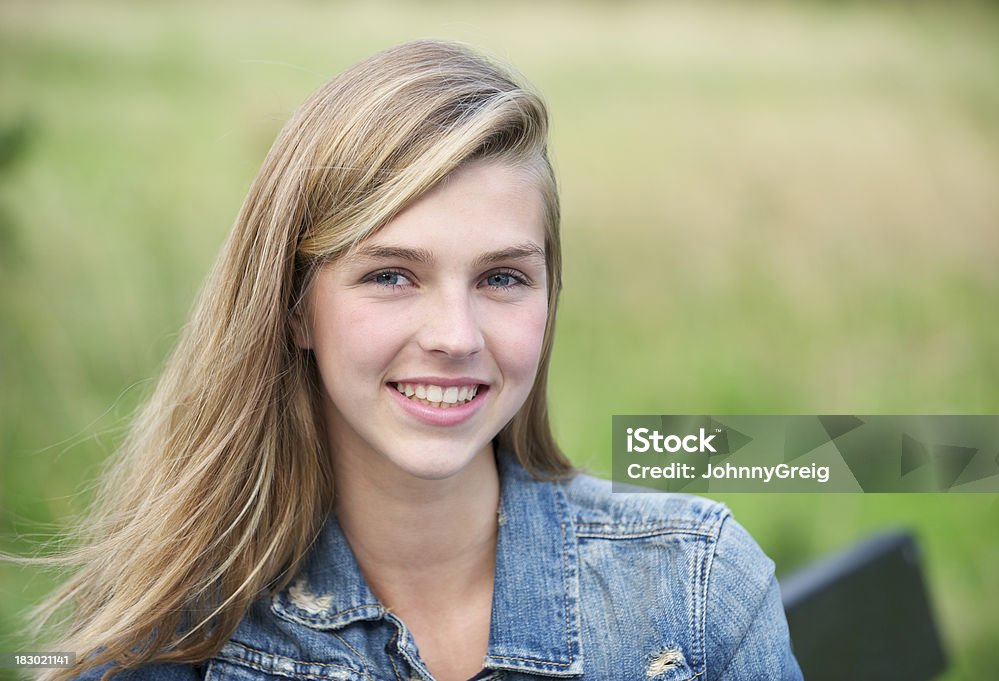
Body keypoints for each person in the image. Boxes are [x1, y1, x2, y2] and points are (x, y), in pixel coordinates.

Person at [28, 40, 802, 681]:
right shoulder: (167, 645)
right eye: (392, 275)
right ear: (295, 306)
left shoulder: (692, 588)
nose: (456, 334)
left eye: (502, 277)